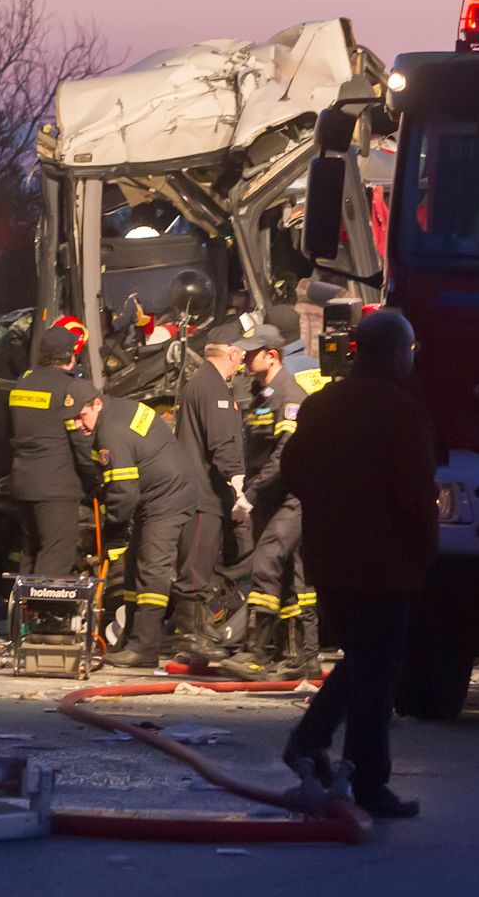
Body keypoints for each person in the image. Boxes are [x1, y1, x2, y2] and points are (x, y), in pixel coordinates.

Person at [280, 310, 438, 819]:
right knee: (377, 673)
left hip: (329, 556)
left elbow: (293, 469)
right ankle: (365, 778)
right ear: (396, 355)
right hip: (384, 562)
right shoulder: (403, 413)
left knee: (363, 659)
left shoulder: (321, 405)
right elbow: (415, 494)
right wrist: (424, 552)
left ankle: (311, 743)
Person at [78, 392, 214, 668]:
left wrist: (114, 534)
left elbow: (124, 492)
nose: (79, 425)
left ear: (97, 404)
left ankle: (145, 648)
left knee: (152, 569)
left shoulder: (110, 431)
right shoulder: (118, 409)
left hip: (167, 498)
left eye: (82, 416)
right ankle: (130, 639)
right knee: (133, 569)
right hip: (154, 495)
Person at [218, 323, 317, 680]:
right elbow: (255, 449)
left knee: (266, 562)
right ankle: (299, 656)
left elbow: (283, 456)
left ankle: (257, 654)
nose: (243, 359)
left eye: (250, 354)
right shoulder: (260, 396)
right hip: (268, 499)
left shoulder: (289, 397)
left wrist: (251, 493)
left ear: (272, 356)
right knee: (289, 575)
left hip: (291, 497)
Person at [174, 333, 249, 655]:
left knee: (203, 565)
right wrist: (237, 481)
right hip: (203, 494)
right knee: (195, 566)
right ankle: (190, 634)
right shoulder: (212, 387)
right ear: (231, 354)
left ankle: (200, 629)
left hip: (204, 491)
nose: (242, 362)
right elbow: (221, 440)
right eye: (241, 355)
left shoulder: (204, 382)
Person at [7, 326, 98, 577]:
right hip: (57, 485)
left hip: (23, 482)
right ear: (71, 355)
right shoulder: (71, 389)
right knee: (57, 552)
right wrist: (94, 478)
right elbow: (81, 443)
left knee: (31, 551)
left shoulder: (22, 383)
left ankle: (24, 602)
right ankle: (45, 601)